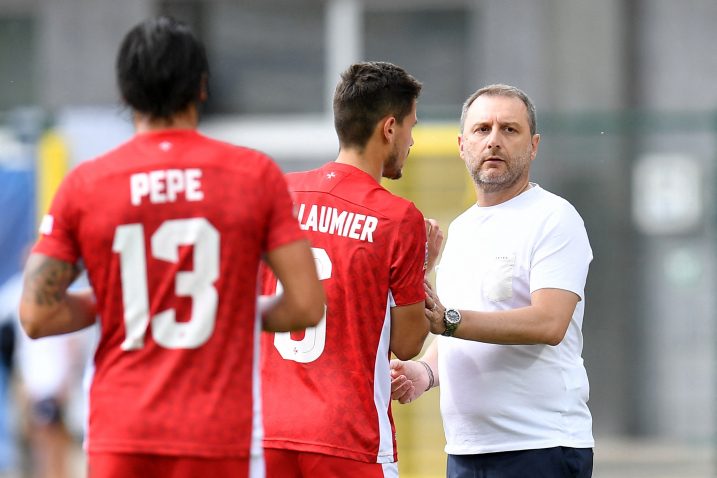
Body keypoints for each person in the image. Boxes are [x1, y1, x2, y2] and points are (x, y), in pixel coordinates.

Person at [18, 16, 324, 478]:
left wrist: (118, 301)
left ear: (124, 94)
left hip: (121, 431)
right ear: (202, 87)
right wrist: (224, 307)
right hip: (218, 432)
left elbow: (37, 315)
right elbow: (305, 304)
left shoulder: (86, 183)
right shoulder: (253, 175)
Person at [390, 84, 594, 478]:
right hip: (467, 448)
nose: (494, 141)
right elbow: (458, 326)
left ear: (534, 145)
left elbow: (549, 323)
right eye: (482, 129)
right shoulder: (463, 228)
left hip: (540, 446)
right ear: (462, 144)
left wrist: (448, 320)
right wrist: (425, 372)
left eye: (509, 129)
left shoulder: (554, 217)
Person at [260, 61, 442, 478]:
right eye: (412, 126)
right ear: (389, 128)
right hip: (347, 437)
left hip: (267, 432)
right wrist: (424, 266)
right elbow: (408, 341)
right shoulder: (398, 218)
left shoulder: (278, 194)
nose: (412, 140)